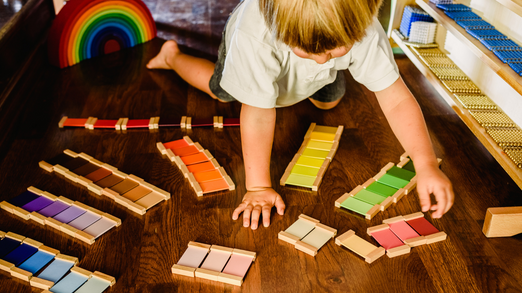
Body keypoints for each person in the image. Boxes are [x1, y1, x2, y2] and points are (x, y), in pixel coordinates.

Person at [147, 0, 454, 230]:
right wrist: (257, 187)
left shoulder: (364, 28)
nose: (321, 59)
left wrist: (425, 163)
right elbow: (256, 114)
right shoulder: (253, 35)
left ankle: (322, 71)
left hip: (307, 59)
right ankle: (172, 57)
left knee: (328, 103)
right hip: (255, 53)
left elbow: (397, 98)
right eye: (309, 51)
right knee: (223, 92)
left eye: (334, 51)